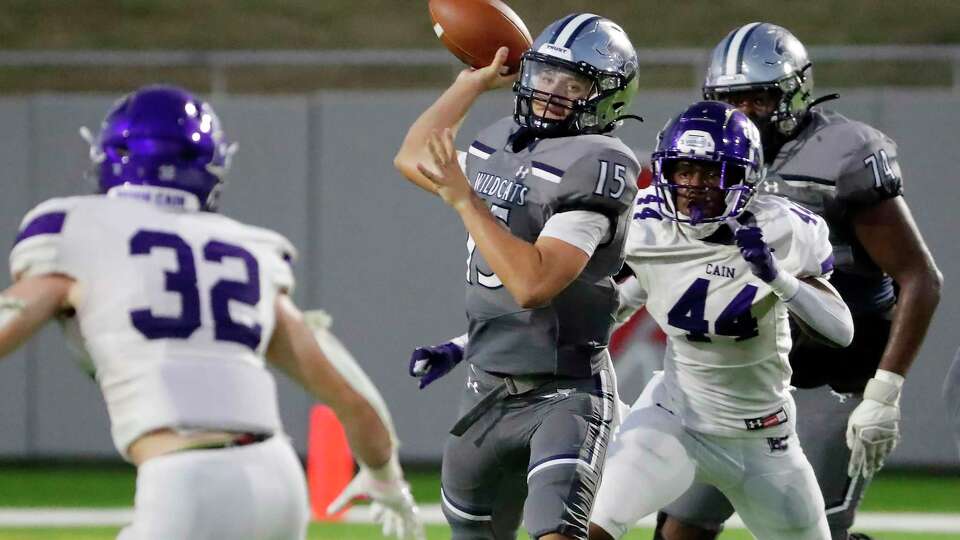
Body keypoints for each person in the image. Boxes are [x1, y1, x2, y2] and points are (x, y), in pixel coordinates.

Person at [0, 85, 423, 540]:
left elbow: (14, 317)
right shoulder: (247, 249)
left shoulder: (77, 231)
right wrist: (386, 476)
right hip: (278, 480)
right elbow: (349, 395)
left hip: (185, 480)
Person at [654, 22, 943, 540]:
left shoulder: (843, 151)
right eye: (729, 100)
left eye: (757, 98)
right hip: (748, 376)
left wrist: (883, 391)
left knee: (813, 531)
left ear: (793, 92)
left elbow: (920, 278)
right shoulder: (707, 154)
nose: (743, 113)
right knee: (680, 524)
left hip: (832, 377)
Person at [394, 13, 641, 540]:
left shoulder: (598, 162)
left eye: (573, 84)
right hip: (484, 385)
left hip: (564, 391)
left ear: (606, 98)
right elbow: (413, 155)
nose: (552, 92)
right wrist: (470, 83)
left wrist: (464, 199)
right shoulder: (499, 141)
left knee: (557, 533)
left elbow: (534, 285)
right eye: (547, 75)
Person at [586, 100, 854, 540]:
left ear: (746, 176)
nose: (694, 186)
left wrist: (777, 276)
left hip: (763, 436)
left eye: (711, 173)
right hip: (676, 417)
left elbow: (841, 331)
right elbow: (594, 303)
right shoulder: (644, 220)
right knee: (588, 526)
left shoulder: (784, 228)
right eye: (683, 171)